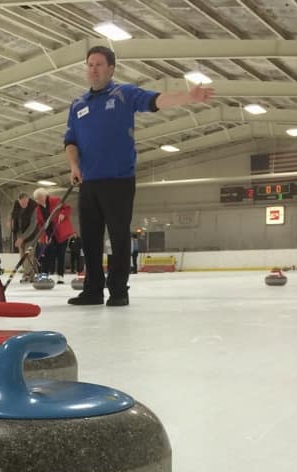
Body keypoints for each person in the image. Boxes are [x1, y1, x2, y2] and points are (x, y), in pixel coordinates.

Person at [64, 46, 214, 306]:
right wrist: (74, 166)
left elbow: (155, 100)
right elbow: (71, 141)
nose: (93, 69)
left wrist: (188, 97)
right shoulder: (78, 105)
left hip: (119, 181)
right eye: (90, 64)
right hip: (88, 183)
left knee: (119, 237)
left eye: (99, 64)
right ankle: (93, 290)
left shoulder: (124, 93)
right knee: (89, 240)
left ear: (111, 68)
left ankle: (119, 291)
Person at [32, 187, 73, 284]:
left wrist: (63, 214)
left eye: (40, 198)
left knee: (61, 254)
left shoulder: (55, 200)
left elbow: (67, 208)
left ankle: (60, 276)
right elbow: (40, 224)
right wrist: (44, 236)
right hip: (50, 235)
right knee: (47, 255)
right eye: (37, 199)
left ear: (45, 196)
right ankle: (44, 275)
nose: (38, 200)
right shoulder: (38, 209)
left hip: (61, 232)